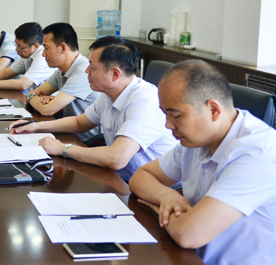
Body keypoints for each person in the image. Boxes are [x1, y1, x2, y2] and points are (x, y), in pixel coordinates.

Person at [129, 60, 276, 265]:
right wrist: (167, 197)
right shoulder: (196, 140)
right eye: (165, 114)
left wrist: (156, 206)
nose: (168, 125)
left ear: (213, 110)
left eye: (176, 115)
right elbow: (141, 176)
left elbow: (189, 234)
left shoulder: (258, 154)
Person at [11, 36, 176, 181]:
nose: (86, 71)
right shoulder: (110, 94)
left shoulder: (144, 101)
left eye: (92, 66)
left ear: (115, 74)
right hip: (122, 179)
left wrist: (62, 148)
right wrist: (36, 126)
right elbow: (79, 122)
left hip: (154, 190)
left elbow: (117, 158)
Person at [21, 22, 100, 141]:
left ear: (63, 47)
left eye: (46, 48)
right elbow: (36, 93)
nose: (43, 54)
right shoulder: (61, 71)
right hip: (68, 133)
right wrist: (37, 97)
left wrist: (34, 97)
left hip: (87, 142)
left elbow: (47, 110)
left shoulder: (83, 70)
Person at [0, 22, 52, 92]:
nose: (16, 50)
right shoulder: (26, 56)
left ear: (35, 46)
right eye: (16, 45)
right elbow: (5, 72)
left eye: (20, 47)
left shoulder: (42, 58)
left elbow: (23, 84)